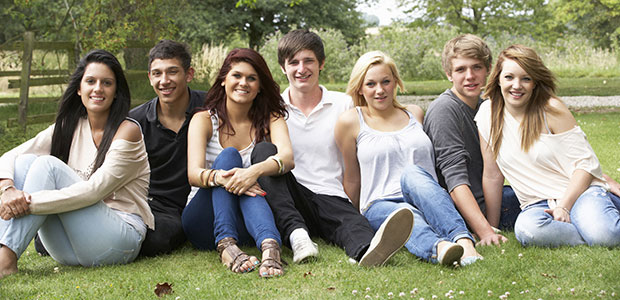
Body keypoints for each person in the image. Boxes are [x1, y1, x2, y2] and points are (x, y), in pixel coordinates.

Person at [251, 29, 413, 267]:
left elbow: (374, 128)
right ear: (283, 68)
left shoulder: (344, 103)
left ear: (321, 64)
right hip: (291, 195)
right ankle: (298, 236)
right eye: (293, 62)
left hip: (331, 195)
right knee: (263, 152)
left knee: (355, 226)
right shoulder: (273, 109)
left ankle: (368, 251)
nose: (301, 69)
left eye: (309, 61)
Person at [0, 50, 153, 278]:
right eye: (90, 81)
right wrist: (8, 190)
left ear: (116, 92)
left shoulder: (128, 131)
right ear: (79, 89)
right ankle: (5, 255)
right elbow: (9, 156)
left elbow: (93, 192)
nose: (98, 88)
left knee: (47, 166)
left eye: (107, 83)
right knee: (25, 162)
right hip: (69, 250)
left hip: (118, 240)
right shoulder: (69, 127)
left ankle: (5, 261)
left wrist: (25, 203)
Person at [335, 51, 481, 266]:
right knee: (405, 214)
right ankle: (440, 249)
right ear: (360, 87)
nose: (380, 90)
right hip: (381, 203)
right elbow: (353, 177)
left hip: (426, 196)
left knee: (412, 173)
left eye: (386, 81)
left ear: (396, 82)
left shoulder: (415, 113)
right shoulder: (351, 121)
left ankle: (464, 242)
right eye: (371, 84)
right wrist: (354, 221)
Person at [476, 44, 620, 247]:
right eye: (509, 77)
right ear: (498, 78)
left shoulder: (550, 109)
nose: (517, 85)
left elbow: (585, 165)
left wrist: (564, 207)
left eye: (526, 78)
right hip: (536, 205)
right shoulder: (486, 115)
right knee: (527, 230)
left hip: (578, 193)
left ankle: (599, 225)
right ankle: (591, 231)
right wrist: (491, 228)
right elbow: (492, 175)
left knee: (606, 235)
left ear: (535, 82)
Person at [182, 48, 288, 277]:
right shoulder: (203, 119)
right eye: (237, 76)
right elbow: (193, 173)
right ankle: (226, 245)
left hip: (249, 225)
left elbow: (287, 158)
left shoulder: (272, 118)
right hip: (203, 222)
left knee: (244, 175)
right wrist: (224, 176)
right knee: (229, 156)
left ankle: (270, 248)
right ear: (223, 81)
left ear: (260, 86)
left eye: (252, 78)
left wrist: (251, 173)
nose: (244, 83)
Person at [420, 34, 520, 246]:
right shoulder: (444, 110)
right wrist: (485, 231)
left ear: (488, 70)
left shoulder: (489, 106)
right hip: (463, 210)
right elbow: (454, 181)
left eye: (477, 67)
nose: (470, 76)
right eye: (460, 69)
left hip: (492, 199)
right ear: (448, 74)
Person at [129, 40, 206, 257]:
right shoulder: (135, 121)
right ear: (150, 77)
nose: (164, 81)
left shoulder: (210, 108)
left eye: (172, 72)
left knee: (157, 240)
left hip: (192, 204)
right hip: (147, 203)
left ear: (188, 74)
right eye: (157, 73)